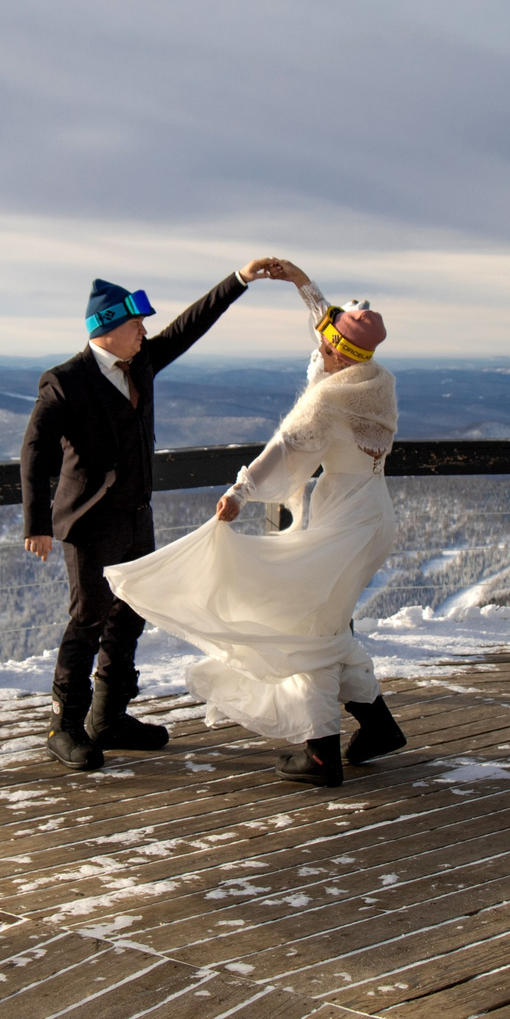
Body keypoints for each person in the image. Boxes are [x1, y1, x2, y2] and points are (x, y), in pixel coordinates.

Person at [103, 272, 406, 788]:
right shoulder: (376, 381)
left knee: (303, 628)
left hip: (342, 524)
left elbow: (285, 450)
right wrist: (300, 282)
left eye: (323, 343)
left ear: (333, 351)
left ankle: (320, 753)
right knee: (326, 625)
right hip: (373, 516)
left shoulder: (328, 401)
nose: (318, 342)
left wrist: (240, 492)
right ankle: (377, 725)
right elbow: (331, 328)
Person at [20, 258, 307, 770]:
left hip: (135, 517)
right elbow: (35, 451)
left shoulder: (142, 362)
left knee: (130, 615)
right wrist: (37, 523)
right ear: (107, 331)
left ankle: (107, 719)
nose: (145, 333)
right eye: (136, 327)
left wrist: (239, 279)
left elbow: (189, 327)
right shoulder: (66, 381)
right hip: (88, 523)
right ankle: (64, 727)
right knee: (87, 619)